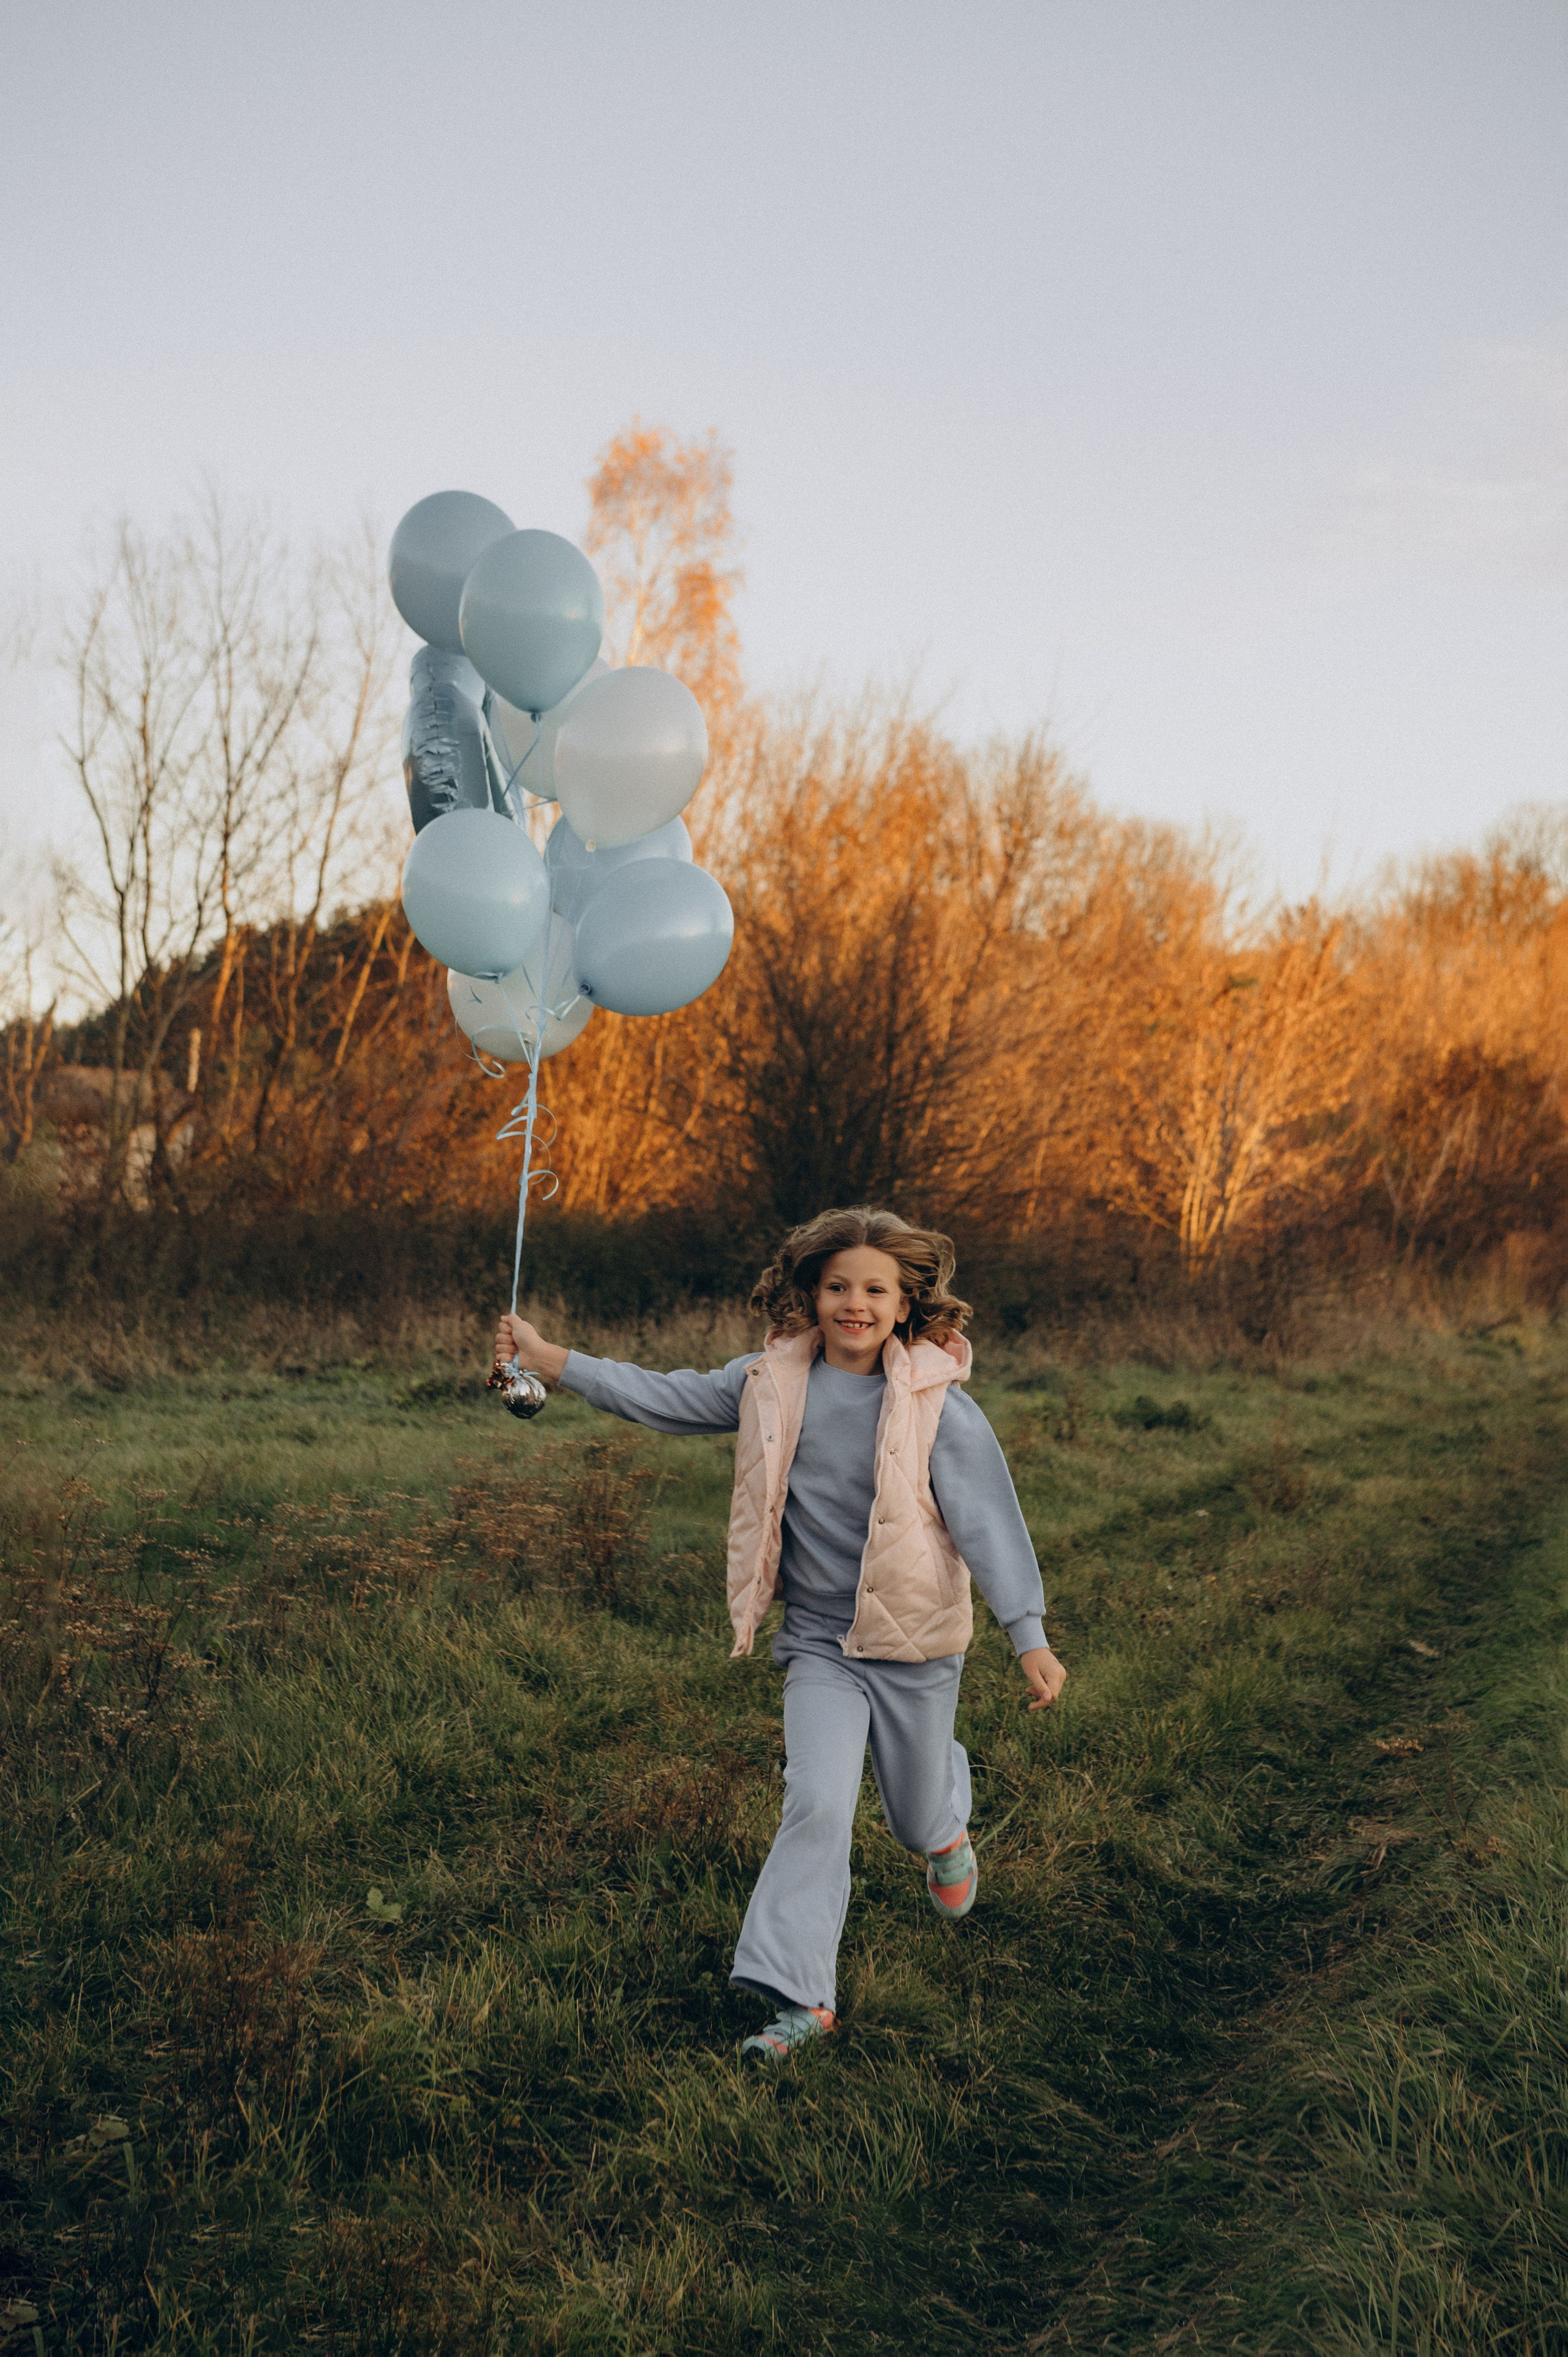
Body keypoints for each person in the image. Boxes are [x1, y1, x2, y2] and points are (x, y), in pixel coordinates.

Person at [493, 1205, 1068, 2063]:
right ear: (811, 1293)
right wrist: (551, 1361)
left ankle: (945, 1829)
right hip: (820, 1643)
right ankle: (802, 1997)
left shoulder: (936, 1406)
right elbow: (667, 1396)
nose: (855, 1305)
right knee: (818, 1803)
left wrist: (1029, 1635)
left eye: (875, 1291)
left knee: (913, 1819)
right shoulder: (770, 1380)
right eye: (838, 1287)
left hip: (914, 1646)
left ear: (905, 1304)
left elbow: (989, 1520)